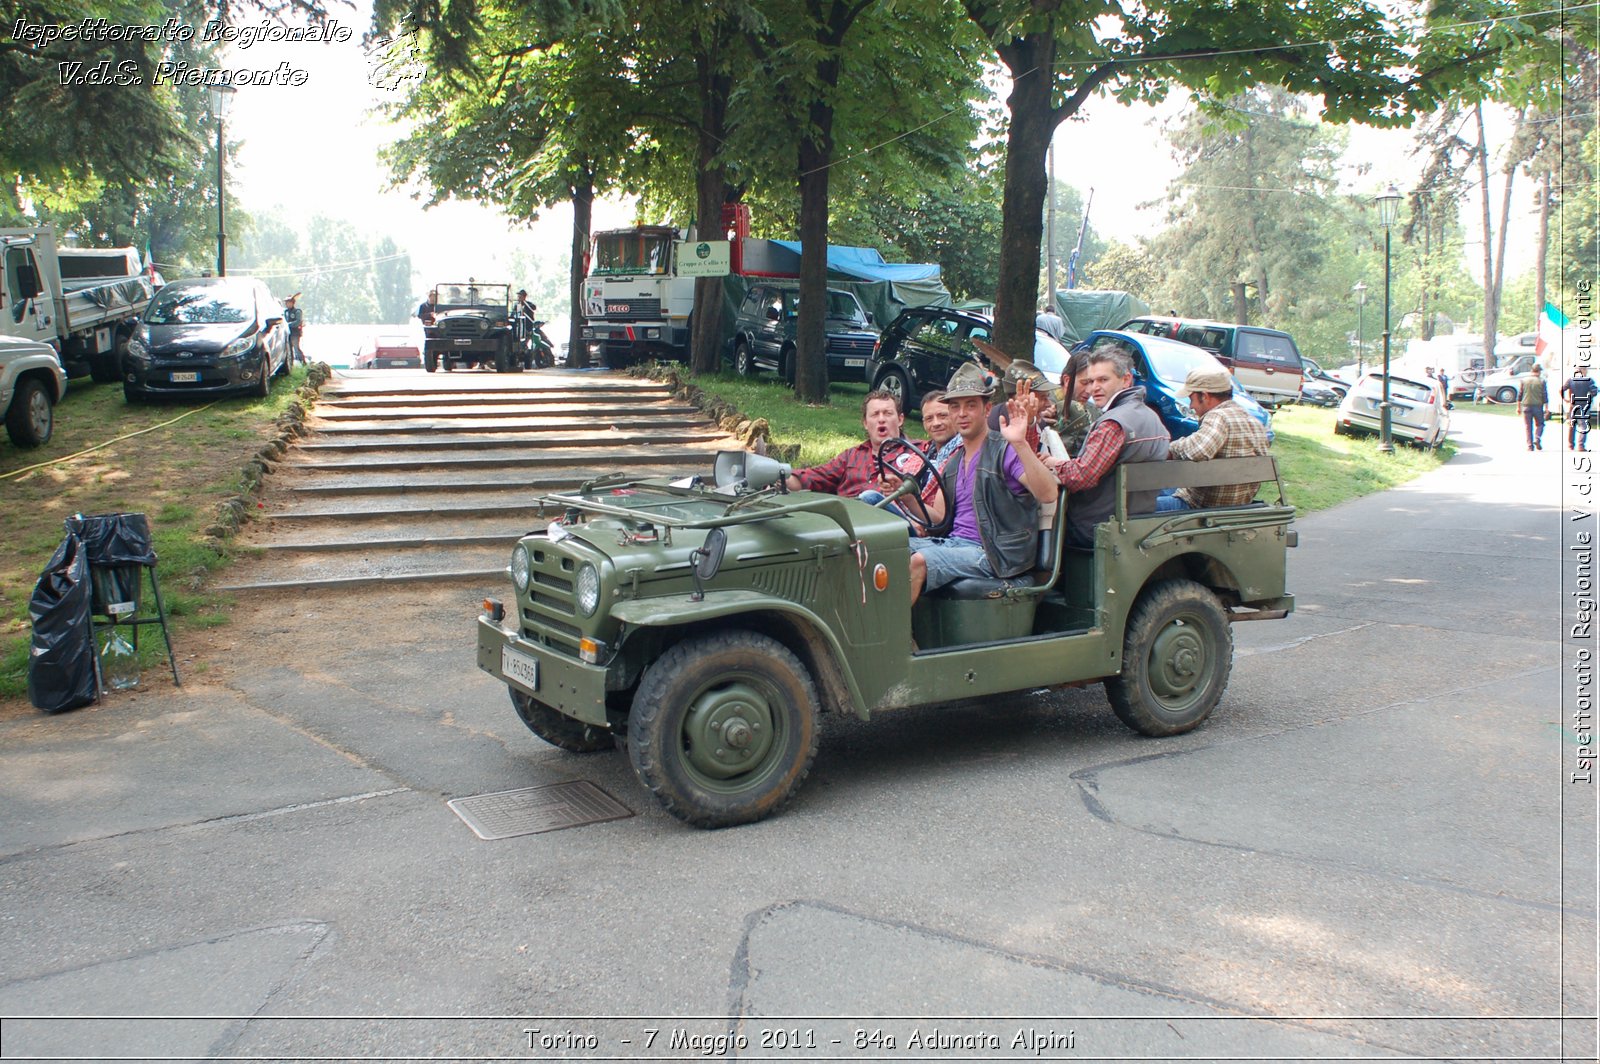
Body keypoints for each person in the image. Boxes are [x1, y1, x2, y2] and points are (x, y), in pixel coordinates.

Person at [898, 363, 1059, 606]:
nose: (961, 413)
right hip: (954, 544)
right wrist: (908, 496)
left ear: (987, 409)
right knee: (884, 549)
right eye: (955, 407)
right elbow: (938, 518)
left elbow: (1047, 493)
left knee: (919, 561)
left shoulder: (1004, 450)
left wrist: (1020, 443)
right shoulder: (953, 463)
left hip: (993, 554)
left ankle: (894, 642)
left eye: (970, 405)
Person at [1041, 340, 1171, 547]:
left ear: (1126, 379)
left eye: (1103, 380)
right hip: (1139, 521)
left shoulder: (1113, 423)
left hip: (1094, 526)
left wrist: (1052, 463)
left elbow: (1080, 477)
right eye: (1091, 381)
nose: (1095, 388)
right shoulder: (1152, 418)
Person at [1155, 367, 1271, 511]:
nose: (1191, 406)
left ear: (1205, 396)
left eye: (1191, 399)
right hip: (1239, 506)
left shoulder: (1218, 417)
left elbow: (1198, 450)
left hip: (1200, 507)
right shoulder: (1254, 422)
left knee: (1136, 505)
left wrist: (1172, 447)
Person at [785, 391, 914, 497]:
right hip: (845, 520)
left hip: (887, 521)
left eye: (888, 413)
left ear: (900, 420)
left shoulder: (918, 453)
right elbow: (814, 477)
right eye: (875, 414)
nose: (881, 419)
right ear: (865, 423)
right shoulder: (852, 455)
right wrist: (779, 478)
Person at [1563, 366, 1595, 452]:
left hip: (1572, 405)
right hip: (1584, 405)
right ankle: (1580, 445)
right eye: (1586, 370)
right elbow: (1594, 391)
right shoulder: (1589, 380)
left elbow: (1562, 389)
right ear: (1583, 370)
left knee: (1572, 425)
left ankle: (1570, 445)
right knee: (1583, 425)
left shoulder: (1571, 380)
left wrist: (1565, 399)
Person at [1518, 364, 1549, 451]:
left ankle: (1529, 446)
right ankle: (1537, 438)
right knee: (1540, 424)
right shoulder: (1542, 381)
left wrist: (1518, 407)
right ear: (1539, 372)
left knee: (1528, 426)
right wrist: (1546, 408)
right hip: (1538, 407)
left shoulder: (1523, 380)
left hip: (1526, 406)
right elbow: (1544, 395)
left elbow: (1520, 394)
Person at [281, 293, 305, 365]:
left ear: (292, 303)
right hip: (287, 333)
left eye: (288, 302)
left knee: (296, 348)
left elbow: (298, 321)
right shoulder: (285, 312)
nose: (287, 304)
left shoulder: (297, 311)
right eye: (286, 303)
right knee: (289, 349)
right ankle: (290, 364)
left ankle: (303, 362)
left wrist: (288, 325)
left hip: (295, 333)